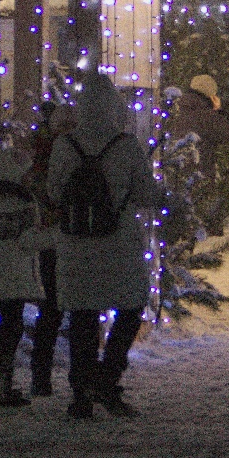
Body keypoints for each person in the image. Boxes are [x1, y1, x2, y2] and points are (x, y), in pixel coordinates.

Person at [48, 72, 162, 419]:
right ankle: (108, 379)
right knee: (130, 307)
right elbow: (146, 194)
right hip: (119, 242)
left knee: (82, 318)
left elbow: (53, 192)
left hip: (76, 242)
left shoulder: (65, 145)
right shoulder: (126, 146)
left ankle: (81, 391)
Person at [0, 146, 54, 407]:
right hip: (15, 274)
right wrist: (56, 237)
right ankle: (0, 389)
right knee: (10, 332)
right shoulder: (23, 203)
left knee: (6, 330)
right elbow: (28, 240)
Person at [23, 101, 71, 396]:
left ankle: (41, 375)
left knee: (52, 308)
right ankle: (44, 375)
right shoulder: (60, 154)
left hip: (54, 237)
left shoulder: (43, 154)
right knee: (58, 307)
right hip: (62, 236)